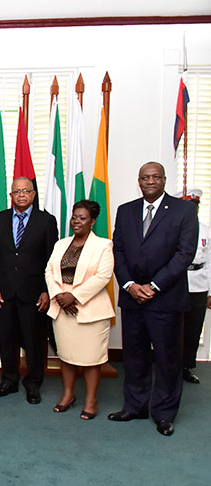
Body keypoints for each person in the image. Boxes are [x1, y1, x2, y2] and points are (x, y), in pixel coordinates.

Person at [110, 162, 198, 436]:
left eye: (155, 177)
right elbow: (119, 251)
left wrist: (155, 286)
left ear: (164, 180)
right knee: (134, 356)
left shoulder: (183, 211)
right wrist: (129, 284)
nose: (150, 181)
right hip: (132, 297)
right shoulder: (126, 211)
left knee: (167, 358)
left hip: (166, 299)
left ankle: (164, 413)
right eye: (145, 177)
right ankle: (135, 406)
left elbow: (185, 254)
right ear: (138, 181)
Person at [0, 177, 58, 404]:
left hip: (34, 292)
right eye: (17, 191)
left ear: (34, 194)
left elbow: (51, 260)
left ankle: (33, 383)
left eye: (26, 191)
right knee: (6, 339)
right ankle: (9, 380)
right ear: (11, 195)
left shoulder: (46, 221)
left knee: (34, 341)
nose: (21, 195)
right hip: (4, 292)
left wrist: (47, 290)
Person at [45, 200, 115, 420]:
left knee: (91, 358)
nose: (76, 221)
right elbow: (49, 271)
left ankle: (91, 400)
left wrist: (73, 296)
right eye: (74, 217)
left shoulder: (103, 245)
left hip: (90, 309)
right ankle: (68, 395)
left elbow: (103, 276)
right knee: (66, 355)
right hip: (62, 308)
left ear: (92, 221)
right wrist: (59, 295)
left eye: (82, 218)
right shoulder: (61, 244)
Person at [175, 189, 211, 384]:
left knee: (193, 328)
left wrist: (210, 292)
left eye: (194, 207)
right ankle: (171, 365)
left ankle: (187, 366)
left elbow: (210, 261)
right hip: (177, 282)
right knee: (174, 328)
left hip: (199, 283)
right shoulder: (173, 228)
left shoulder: (206, 230)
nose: (192, 210)